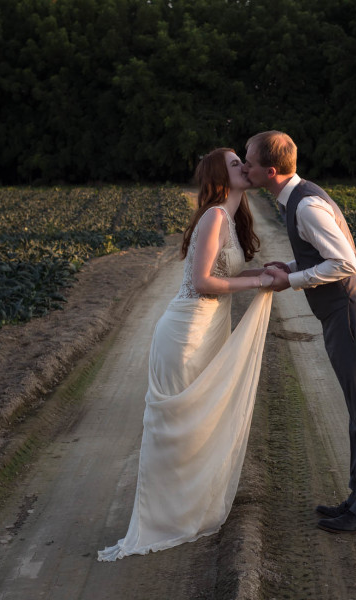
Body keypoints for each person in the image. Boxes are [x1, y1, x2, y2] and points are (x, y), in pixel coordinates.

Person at [98, 148, 273, 561]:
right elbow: (202, 282)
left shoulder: (229, 218)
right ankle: (163, 519)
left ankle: (186, 510)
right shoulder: (214, 216)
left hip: (208, 329)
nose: (244, 168)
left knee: (197, 423)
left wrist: (267, 273)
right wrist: (257, 282)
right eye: (236, 164)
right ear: (219, 175)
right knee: (176, 427)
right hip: (186, 334)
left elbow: (224, 274)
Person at [242, 131, 356, 534]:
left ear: (269, 171)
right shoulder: (298, 198)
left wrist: (289, 282)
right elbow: (323, 254)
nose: (244, 166)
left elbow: (345, 262)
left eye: (249, 161)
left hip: (352, 313)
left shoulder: (305, 204)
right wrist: (291, 267)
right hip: (345, 313)